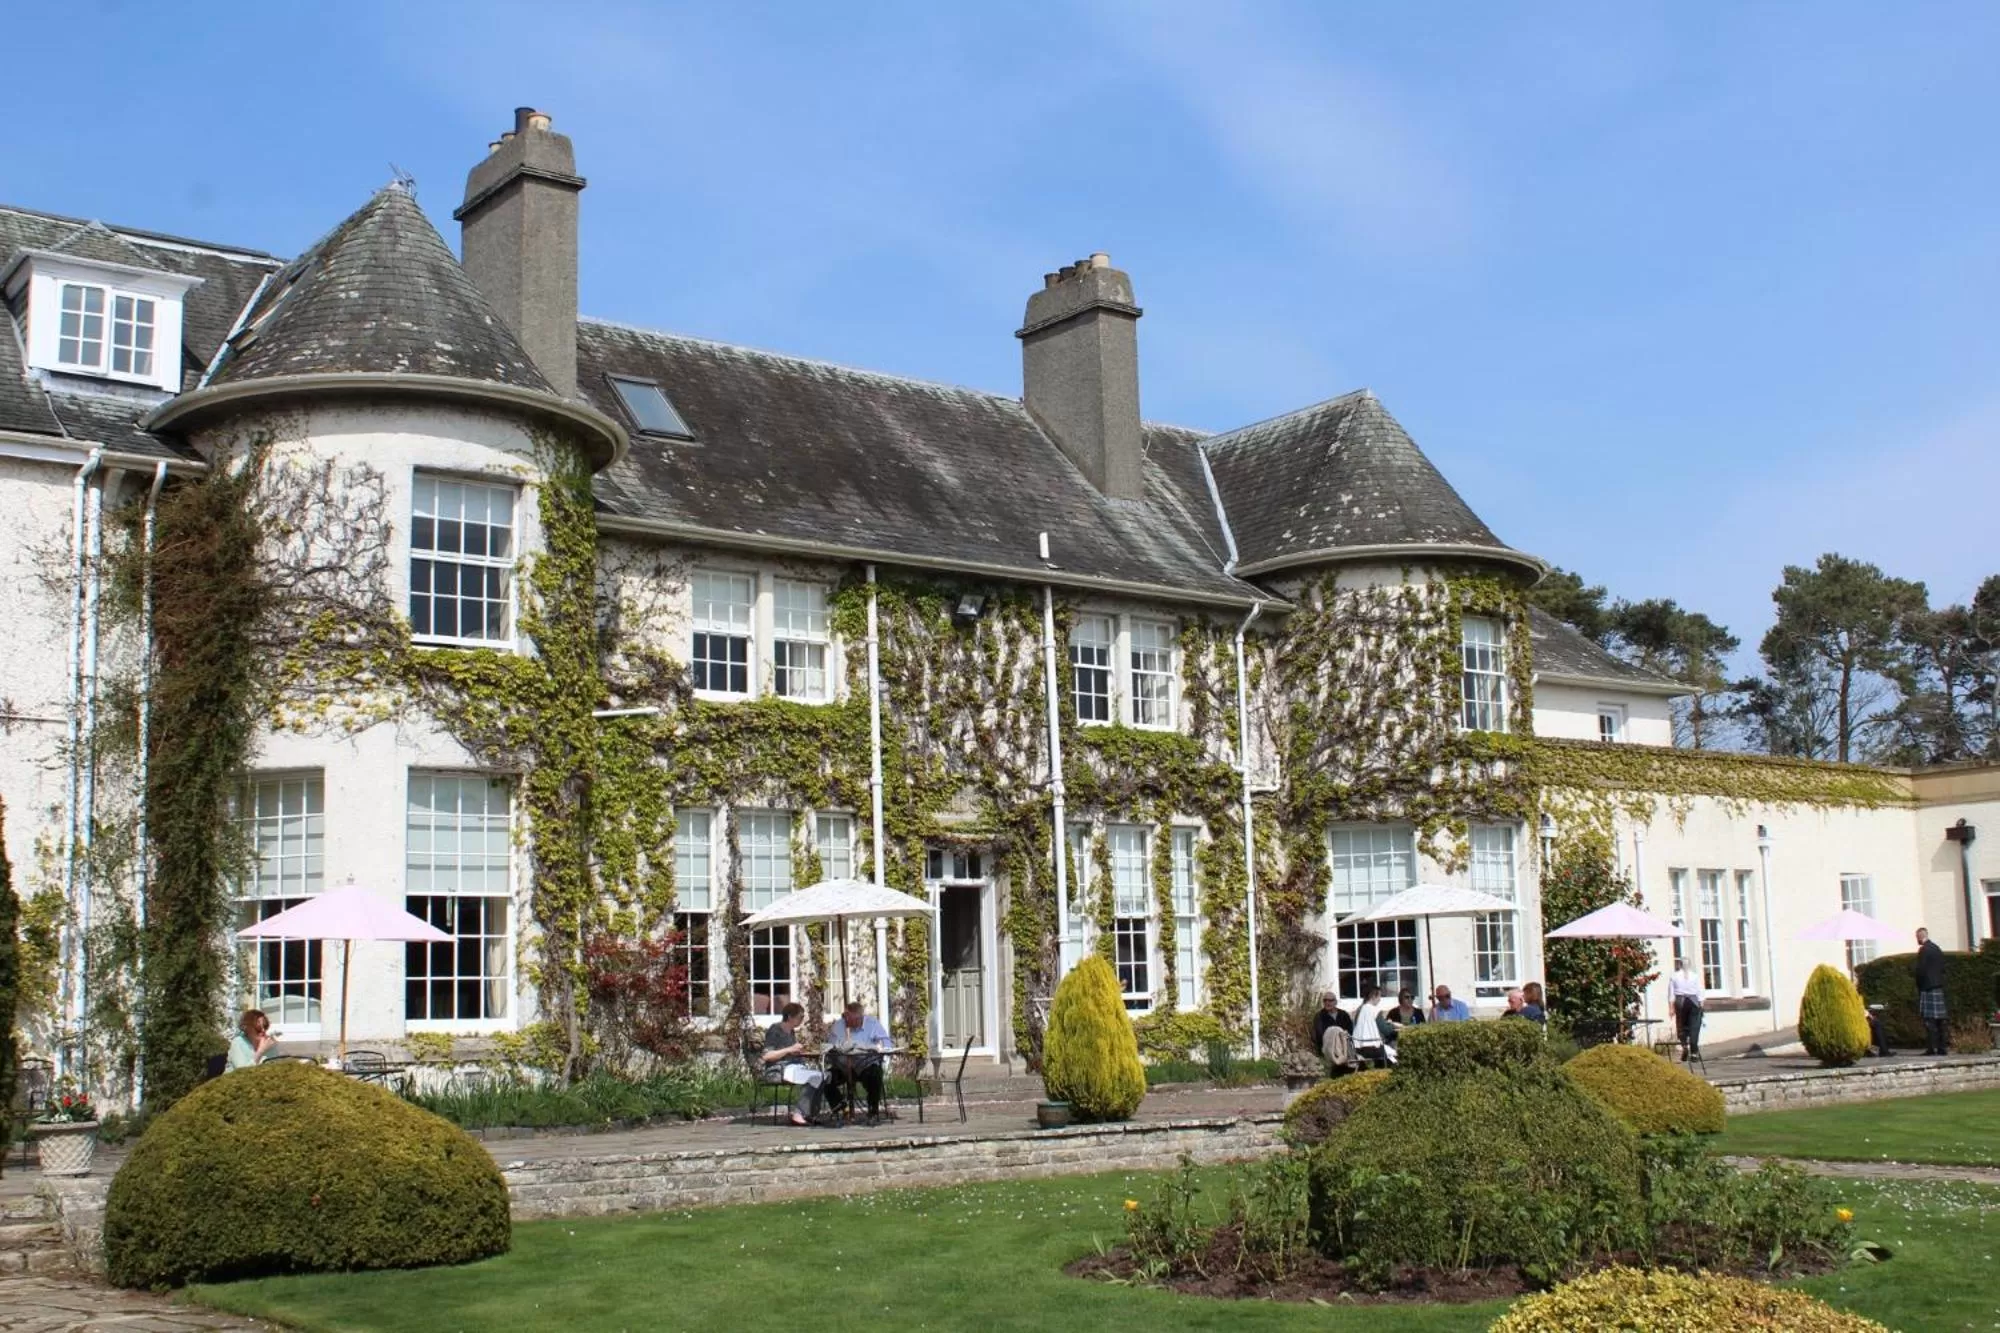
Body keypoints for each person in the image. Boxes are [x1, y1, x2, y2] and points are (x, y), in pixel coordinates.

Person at [825, 1000, 891, 1123]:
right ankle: (841, 1107)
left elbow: (886, 1043)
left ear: (861, 1017)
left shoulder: (872, 1024)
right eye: (848, 1019)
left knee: (875, 1074)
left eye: (854, 1020)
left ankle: (873, 1111)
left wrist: (879, 1048)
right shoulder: (838, 1025)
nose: (850, 1023)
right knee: (825, 1078)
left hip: (865, 1066)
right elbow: (830, 1046)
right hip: (843, 1067)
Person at [763, 1001, 827, 1127]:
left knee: (822, 1076)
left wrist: (798, 1052)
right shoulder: (775, 1030)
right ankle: (799, 1114)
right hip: (777, 1069)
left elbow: (790, 1052)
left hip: (792, 1066)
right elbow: (767, 1056)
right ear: (790, 1017)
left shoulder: (791, 1032)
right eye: (800, 1017)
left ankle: (810, 1114)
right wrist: (790, 1049)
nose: (802, 1020)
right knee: (813, 1077)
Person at [1913, 927, 1949, 1056]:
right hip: (1938, 986)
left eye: (1917, 937)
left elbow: (1920, 970)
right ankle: (1942, 1048)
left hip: (1927, 987)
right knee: (1940, 1021)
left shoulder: (1924, 950)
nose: (1916, 940)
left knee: (1929, 1021)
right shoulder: (1936, 948)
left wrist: (1918, 986)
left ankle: (1931, 1048)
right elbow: (1943, 968)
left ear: (1920, 936)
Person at [1668, 959, 1704, 1061]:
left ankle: (1684, 1046)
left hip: (1680, 1001)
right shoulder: (1695, 976)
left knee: (1681, 1025)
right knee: (1694, 1026)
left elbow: (1671, 994)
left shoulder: (1674, 976)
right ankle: (1694, 1052)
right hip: (1693, 1001)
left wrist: (1671, 1008)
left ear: (1680, 965)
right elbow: (1700, 990)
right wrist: (1701, 1003)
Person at [1351, 984, 1391, 1067]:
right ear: (1373, 996)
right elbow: (1386, 1030)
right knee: (1393, 1054)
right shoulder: (1374, 1010)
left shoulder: (1359, 1010)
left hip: (1357, 1048)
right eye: (1379, 996)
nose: (1380, 999)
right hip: (1372, 1048)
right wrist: (1394, 1027)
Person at [1311, 990, 1353, 1054]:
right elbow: (1318, 1035)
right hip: (1327, 1050)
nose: (1327, 1003)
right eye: (1325, 1000)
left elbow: (1350, 1031)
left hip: (1343, 1048)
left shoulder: (1344, 1015)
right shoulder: (1319, 1016)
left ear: (1335, 1002)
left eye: (1330, 1000)